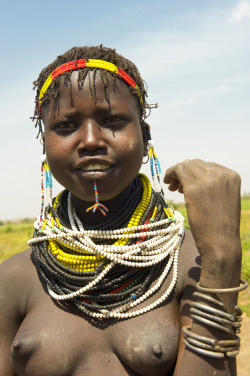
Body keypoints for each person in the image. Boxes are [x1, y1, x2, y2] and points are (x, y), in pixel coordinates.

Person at [0, 45, 246, 376]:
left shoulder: (188, 261)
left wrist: (222, 257)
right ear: (46, 146)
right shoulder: (15, 278)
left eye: (113, 120)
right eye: (66, 125)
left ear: (145, 138)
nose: (90, 140)